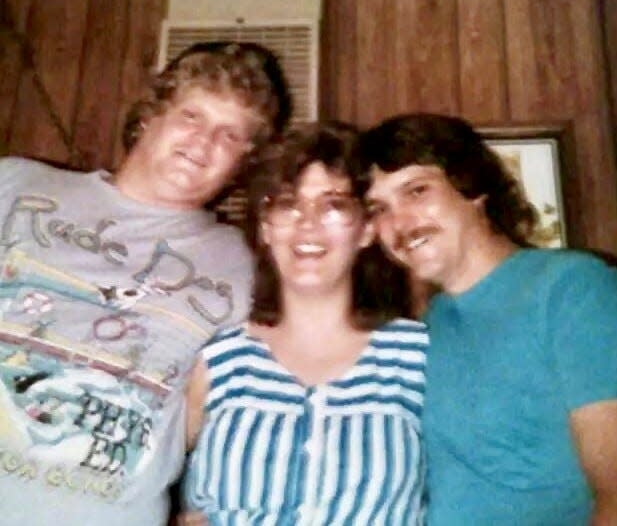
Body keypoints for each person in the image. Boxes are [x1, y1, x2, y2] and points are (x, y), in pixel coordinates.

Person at [0, 41, 290, 525]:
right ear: (149, 117)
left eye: (229, 135)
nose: (203, 143)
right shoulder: (16, 186)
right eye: (192, 116)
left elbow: (231, 423)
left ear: (244, 161)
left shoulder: (248, 269)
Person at [354, 112, 617, 525]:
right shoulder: (425, 328)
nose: (399, 224)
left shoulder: (573, 289)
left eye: (417, 191)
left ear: (471, 188)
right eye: (379, 208)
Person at [181, 122, 429, 525]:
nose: (308, 223)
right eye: (287, 204)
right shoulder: (219, 361)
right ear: (265, 229)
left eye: (334, 205)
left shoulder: (416, 356)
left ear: (366, 229)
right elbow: (143, 484)